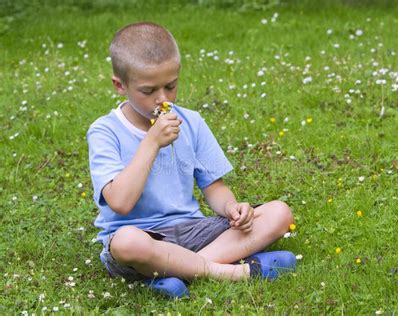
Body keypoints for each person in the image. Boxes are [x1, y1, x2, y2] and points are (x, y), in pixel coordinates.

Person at [87, 22, 297, 298]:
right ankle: (230, 271)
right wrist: (151, 142)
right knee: (127, 244)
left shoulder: (191, 122)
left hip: (193, 230)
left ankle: (178, 272)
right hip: (141, 237)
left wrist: (233, 208)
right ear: (119, 85)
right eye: (148, 91)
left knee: (279, 213)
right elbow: (121, 202)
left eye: (171, 86)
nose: (163, 99)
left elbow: (215, 188)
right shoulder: (104, 131)